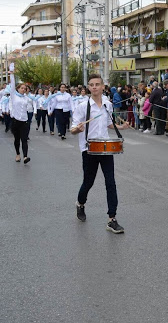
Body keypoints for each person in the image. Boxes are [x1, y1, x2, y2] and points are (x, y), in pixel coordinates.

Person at [71, 74, 130, 234]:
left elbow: (109, 124)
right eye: (91, 85)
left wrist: (121, 127)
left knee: (110, 182)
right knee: (88, 182)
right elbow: (73, 128)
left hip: (105, 148)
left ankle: (112, 219)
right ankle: (80, 204)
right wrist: (77, 129)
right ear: (88, 88)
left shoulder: (107, 105)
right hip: (89, 149)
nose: (95, 87)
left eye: (97, 84)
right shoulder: (83, 106)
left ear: (103, 86)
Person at [7, 71, 32, 164]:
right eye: (22, 88)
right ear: (18, 89)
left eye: (25, 89)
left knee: (24, 139)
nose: (23, 90)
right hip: (15, 121)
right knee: (17, 139)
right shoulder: (13, 95)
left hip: (24, 121)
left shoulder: (26, 98)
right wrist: (12, 74)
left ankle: (25, 156)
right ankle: (18, 154)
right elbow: (12, 84)